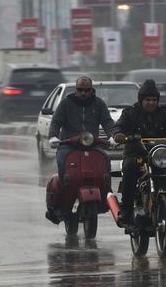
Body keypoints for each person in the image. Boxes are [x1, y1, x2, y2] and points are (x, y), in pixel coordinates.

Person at [112, 79, 166, 235]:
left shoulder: (164, 112)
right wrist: (119, 134)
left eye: (154, 100)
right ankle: (125, 214)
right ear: (141, 100)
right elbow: (119, 127)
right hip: (136, 154)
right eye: (147, 100)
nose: (151, 103)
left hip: (160, 155)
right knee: (129, 169)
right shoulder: (130, 112)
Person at [46, 76, 115, 223]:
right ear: (75, 89)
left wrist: (113, 136)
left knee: (106, 160)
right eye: (80, 90)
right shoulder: (65, 103)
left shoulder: (99, 104)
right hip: (68, 146)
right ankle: (63, 199)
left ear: (91, 90)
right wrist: (53, 136)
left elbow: (108, 122)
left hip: (94, 145)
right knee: (63, 164)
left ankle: (106, 195)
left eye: (87, 90)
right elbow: (56, 122)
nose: (83, 93)